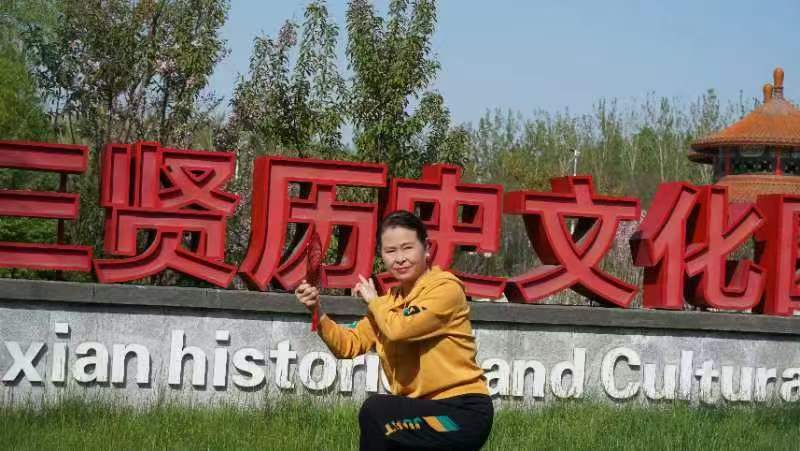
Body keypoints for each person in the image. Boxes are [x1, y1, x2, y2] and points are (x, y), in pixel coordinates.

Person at [295, 210, 493, 451]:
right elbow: (348, 345)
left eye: (407, 248)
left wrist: (374, 301)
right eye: (390, 251)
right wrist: (316, 311)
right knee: (387, 430)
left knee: (376, 411)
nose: (400, 258)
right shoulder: (389, 303)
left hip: (461, 415)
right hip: (419, 414)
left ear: (427, 248)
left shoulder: (445, 290)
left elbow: (400, 329)